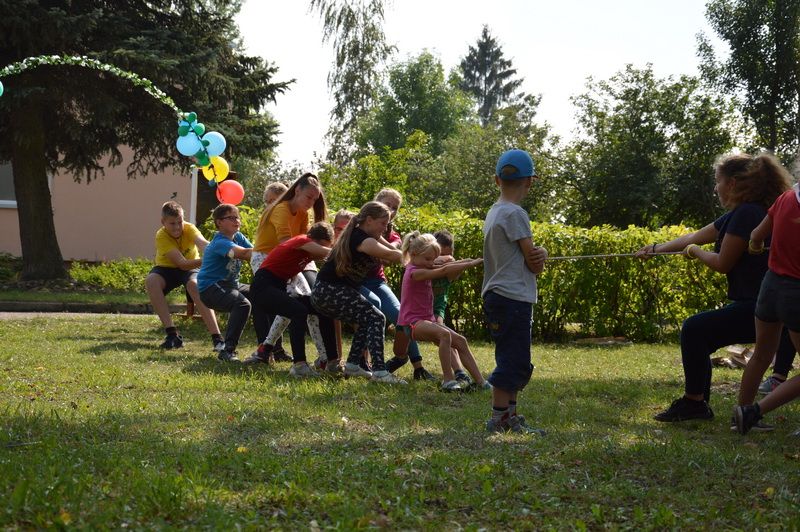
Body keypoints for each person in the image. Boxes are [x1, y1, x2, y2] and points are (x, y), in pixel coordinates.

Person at [634, 152, 795, 424]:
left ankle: (695, 403)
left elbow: (722, 262)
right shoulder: (743, 213)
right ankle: (717, 407)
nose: (715, 188)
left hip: (761, 306)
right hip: (761, 303)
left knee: (695, 329)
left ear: (732, 183)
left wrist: (695, 252)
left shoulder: (747, 214)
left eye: (717, 182)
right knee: (703, 333)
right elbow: (696, 235)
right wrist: (654, 250)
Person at [483, 149, 548, 434]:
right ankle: (499, 418)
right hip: (513, 297)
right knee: (514, 359)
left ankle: (509, 416)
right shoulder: (516, 214)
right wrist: (542, 253)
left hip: (497, 295)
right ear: (530, 182)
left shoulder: (495, 212)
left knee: (512, 354)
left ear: (497, 180)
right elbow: (533, 263)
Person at [311, 201, 406, 383]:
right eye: (382, 223)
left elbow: (393, 249)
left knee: (367, 318)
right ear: (369, 220)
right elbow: (392, 256)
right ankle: (379, 372)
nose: (385, 228)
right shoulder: (363, 239)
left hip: (331, 290)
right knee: (376, 317)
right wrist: (419, 255)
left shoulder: (369, 235)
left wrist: (429, 258)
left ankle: (353, 365)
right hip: (329, 291)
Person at [734, 181, 800, 434]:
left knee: (761, 355)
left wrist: (756, 246)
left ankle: (740, 412)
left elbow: (755, 236)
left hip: (770, 287)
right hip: (796, 294)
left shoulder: (784, 199)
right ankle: (754, 412)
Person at [250, 173, 328, 361]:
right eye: (309, 197)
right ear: (297, 190)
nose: (311, 202)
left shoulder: (302, 213)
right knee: (295, 303)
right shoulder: (281, 209)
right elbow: (288, 244)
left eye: (315, 199)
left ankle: (267, 348)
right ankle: (322, 358)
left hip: (287, 259)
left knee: (305, 301)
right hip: (265, 259)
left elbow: (302, 246)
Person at [398, 231, 489, 392]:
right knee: (444, 335)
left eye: (433, 259)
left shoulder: (423, 264)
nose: (431, 262)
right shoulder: (414, 272)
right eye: (427, 259)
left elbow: (446, 265)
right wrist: (470, 264)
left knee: (460, 341)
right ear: (413, 254)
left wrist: (472, 260)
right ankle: (448, 380)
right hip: (412, 323)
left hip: (427, 320)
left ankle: (482, 383)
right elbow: (442, 271)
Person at [247, 222, 338, 377]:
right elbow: (327, 253)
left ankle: (332, 362)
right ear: (314, 241)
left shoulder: (305, 254)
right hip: (262, 288)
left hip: (276, 287)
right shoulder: (302, 241)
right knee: (298, 311)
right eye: (323, 245)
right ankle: (299, 365)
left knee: (321, 307)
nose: (320, 255)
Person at [364, 188, 434, 381]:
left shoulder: (392, 234)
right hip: (354, 282)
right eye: (388, 205)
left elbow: (393, 252)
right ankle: (364, 362)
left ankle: (418, 367)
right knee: (369, 314)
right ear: (376, 201)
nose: (391, 210)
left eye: (395, 208)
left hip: (376, 281)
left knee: (402, 315)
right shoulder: (362, 223)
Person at [145, 201, 223, 351]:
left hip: (190, 269)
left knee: (194, 285)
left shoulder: (189, 228)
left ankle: (218, 339)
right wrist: (206, 260)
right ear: (163, 222)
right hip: (167, 268)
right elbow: (182, 263)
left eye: (179, 222)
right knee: (151, 281)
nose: (177, 227)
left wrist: (215, 250)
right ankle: (172, 334)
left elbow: (203, 244)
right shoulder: (161, 235)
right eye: (172, 223)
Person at [197, 203, 253, 362]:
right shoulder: (220, 242)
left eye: (238, 217)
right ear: (219, 222)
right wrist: (270, 249)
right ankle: (227, 351)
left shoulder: (238, 237)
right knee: (242, 304)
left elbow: (255, 254)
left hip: (230, 285)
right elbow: (245, 254)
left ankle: (269, 349)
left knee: (263, 294)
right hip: (211, 288)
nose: (237, 220)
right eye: (231, 217)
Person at [431, 230, 473, 383]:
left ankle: (459, 372)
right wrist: (444, 259)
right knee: (401, 348)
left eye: (448, 253)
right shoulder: (422, 263)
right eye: (438, 254)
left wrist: (454, 263)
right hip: (419, 308)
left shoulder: (451, 264)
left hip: (437, 308)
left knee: (445, 337)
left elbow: (452, 271)